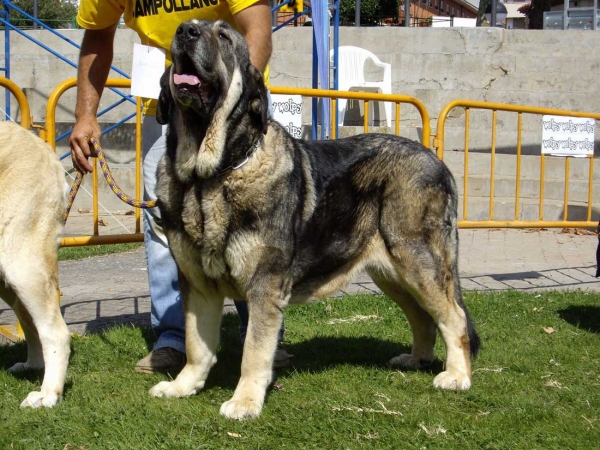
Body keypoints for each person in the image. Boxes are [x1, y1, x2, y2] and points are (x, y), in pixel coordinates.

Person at [69, 0, 291, 374]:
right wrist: (85, 116)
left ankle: (258, 336)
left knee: (250, 226)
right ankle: (173, 338)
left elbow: (257, 28)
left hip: (234, 107)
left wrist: (233, 98)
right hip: (174, 107)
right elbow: (97, 36)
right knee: (164, 221)